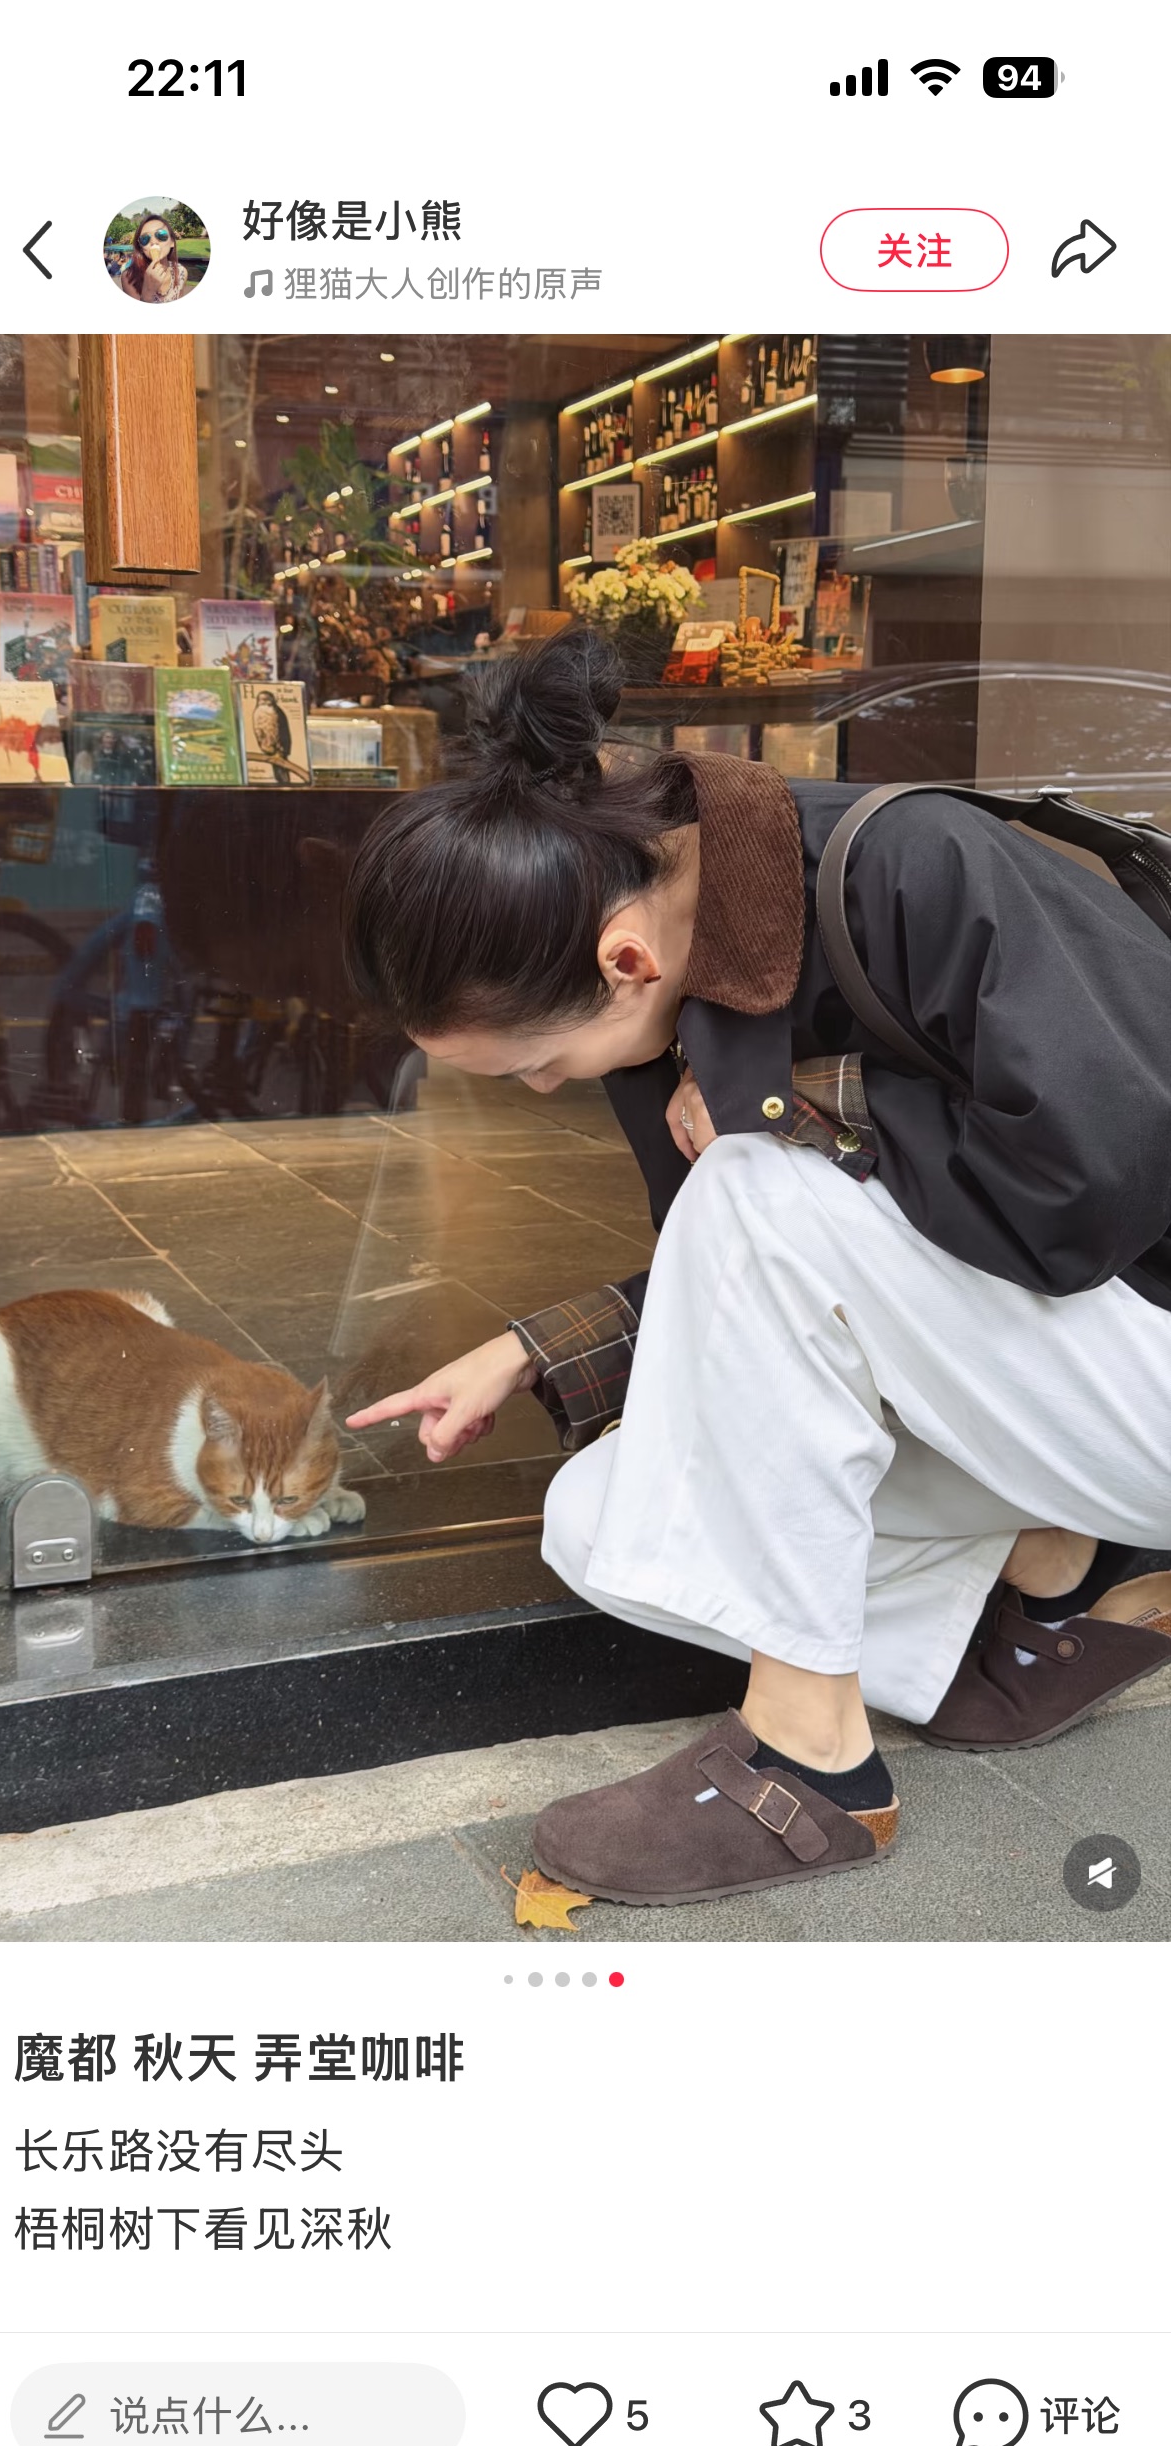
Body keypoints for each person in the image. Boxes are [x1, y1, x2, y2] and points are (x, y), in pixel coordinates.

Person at [340, 624, 1171, 1909]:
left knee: (748, 1186)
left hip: (1141, 1339)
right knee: (603, 1518)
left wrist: (796, 1103)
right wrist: (531, 1350)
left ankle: (812, 1763)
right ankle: (1049, 1591)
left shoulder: (910, 865)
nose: (547, 1091)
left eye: (538, 1067)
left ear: (625, 957)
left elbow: (1089, 1191)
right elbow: (774, 1300)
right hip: (1082, 1382)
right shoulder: (677, 995)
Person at [119, 213, 189, 304]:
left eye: (161, 235)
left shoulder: (181, 273)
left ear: (172, 242)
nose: (153, 242)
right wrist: (147, 292)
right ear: (141, 247)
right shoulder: (129, 277)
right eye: (145, 238)